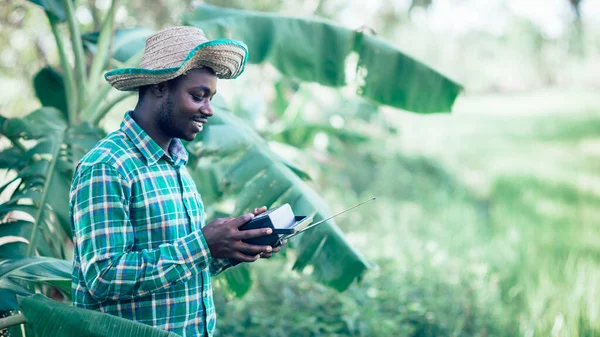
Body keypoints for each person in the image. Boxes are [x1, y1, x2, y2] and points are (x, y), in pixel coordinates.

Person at [69, 26, 281, 337]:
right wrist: (202, 244)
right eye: (198, 96)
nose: (208, 110)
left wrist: (231, 246)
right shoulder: (107, 166)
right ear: (159, 87)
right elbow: (104, 278)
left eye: (211, 98)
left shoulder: (177, 164)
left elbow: (179, 267)